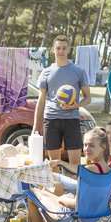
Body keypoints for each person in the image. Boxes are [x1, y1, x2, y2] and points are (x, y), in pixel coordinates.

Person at [28, 127, 111, 222]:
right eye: (85, 145)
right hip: (92, 220)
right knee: (45, 193)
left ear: (103, 147)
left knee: (33, 195)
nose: (87, 149)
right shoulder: (109, 171)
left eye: (92, 146)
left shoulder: (90, 171)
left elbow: (77, 203)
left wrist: (62, 199)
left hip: (74, 220)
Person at [32, 35, 91, 167]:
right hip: (51, 119)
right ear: (53, 50)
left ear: (68, 49)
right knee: (53, 164)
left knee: (75, 164)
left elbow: (88, 98)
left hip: (72, 119)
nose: (61, 51)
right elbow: (41, 101)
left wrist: (75, 105)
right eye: (58, 48)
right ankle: (57, 187)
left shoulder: (78, 71)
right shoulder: (46, 72)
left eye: (64, 48)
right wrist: (35, 126)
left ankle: (74, 187)